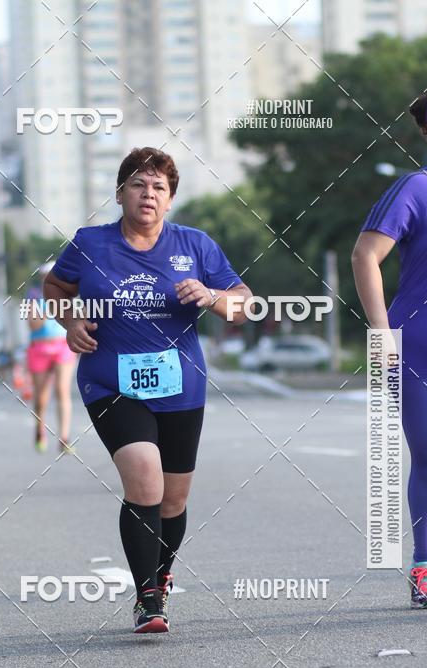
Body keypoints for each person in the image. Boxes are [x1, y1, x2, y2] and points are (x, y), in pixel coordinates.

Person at [44, 147, 251, 634]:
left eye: (159, 187)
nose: (148, 194)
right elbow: (54, 288)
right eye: (139, 184)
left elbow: (244, 304)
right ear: (120, 194)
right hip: (110, 381)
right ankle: (148, 599)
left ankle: (162, 573)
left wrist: (213, 297)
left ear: (171, 199)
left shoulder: (196, 245)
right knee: (145, 483)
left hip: (181, 386)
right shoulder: (90, 243)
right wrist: (70, 322)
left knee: (174, 501)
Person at [352, 84, 427, 609]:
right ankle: (424, 564)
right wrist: (381, 336)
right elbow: (364, 256)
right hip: (422, 349)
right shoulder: (416, 189)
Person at [26, 263, 77, 453]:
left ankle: (64, 438)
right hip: (39, 347)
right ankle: (40, 429)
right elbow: (33, 325)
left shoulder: (71, 294)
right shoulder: (33, 296)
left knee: (62, 390)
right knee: (41, 397)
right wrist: (51, 305)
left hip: (63, 345)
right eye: (47, 276)